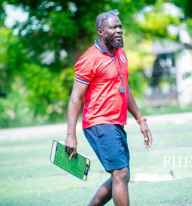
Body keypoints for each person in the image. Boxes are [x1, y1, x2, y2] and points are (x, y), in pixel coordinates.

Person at [64, 9, 153, 206]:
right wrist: (71, 134)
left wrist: (140, 119)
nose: (119, 30)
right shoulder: (89, 59)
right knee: (120, 172)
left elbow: (124, 87)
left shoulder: (120, 54)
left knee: (120, 176)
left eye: (120, 26)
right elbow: (75, 98)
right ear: (101, 32)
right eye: (113, 27)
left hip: (116, 124)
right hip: (99, 123)